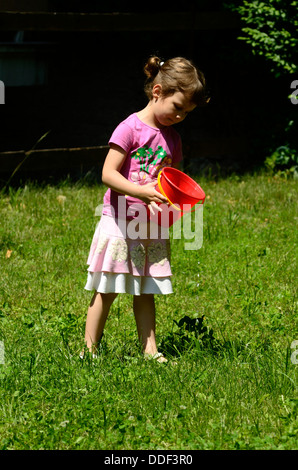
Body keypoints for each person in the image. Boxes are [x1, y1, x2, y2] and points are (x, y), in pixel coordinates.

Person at [81, 56, 207, 363]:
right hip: (121, 222)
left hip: (150, 224)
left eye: (187, 113)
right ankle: (88, 352)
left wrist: (180, 204)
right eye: (177, 107)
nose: (180, 117)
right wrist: (142, 191)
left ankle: (150, 350)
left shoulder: (173, 138)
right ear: (158, 92)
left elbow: (174, 180)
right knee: (106, 288)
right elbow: (108, 174)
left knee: (145, 289)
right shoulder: (130, 129)